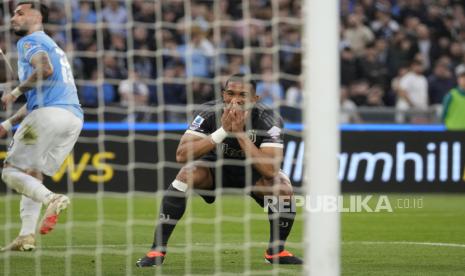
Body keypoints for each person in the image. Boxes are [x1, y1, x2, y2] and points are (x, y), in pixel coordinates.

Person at [136, 74, 302, 267]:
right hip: (216, 168)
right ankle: (157, 250)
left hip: (252, 171)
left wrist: (239, 134)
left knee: (283, 188)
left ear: (255, 99)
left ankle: (276, 252)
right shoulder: (208, 112)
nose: (235, 100)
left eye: (243, 95)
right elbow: (182, 155)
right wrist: (223, 130)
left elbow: (270, 170)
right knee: (185, 175)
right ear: (223, 94)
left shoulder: (269, 119)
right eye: (230, 93)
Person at [0, 1, 83, 251]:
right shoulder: (53, 45)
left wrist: (13, 93)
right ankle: (26, 236)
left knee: (9, 170)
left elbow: (44, 70)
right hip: (72, 118)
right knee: (32, 173)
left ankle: (52, 198)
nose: (13, 18)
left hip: (48, 117)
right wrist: (7, 122)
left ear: (36, 16)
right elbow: (38, 96)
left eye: (19, 13)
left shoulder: (29, 41)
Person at [442, 64, 465, 130]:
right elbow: (444, 114)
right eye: (462, 77)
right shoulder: (451, 95)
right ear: (458, 79)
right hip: (452, 131)